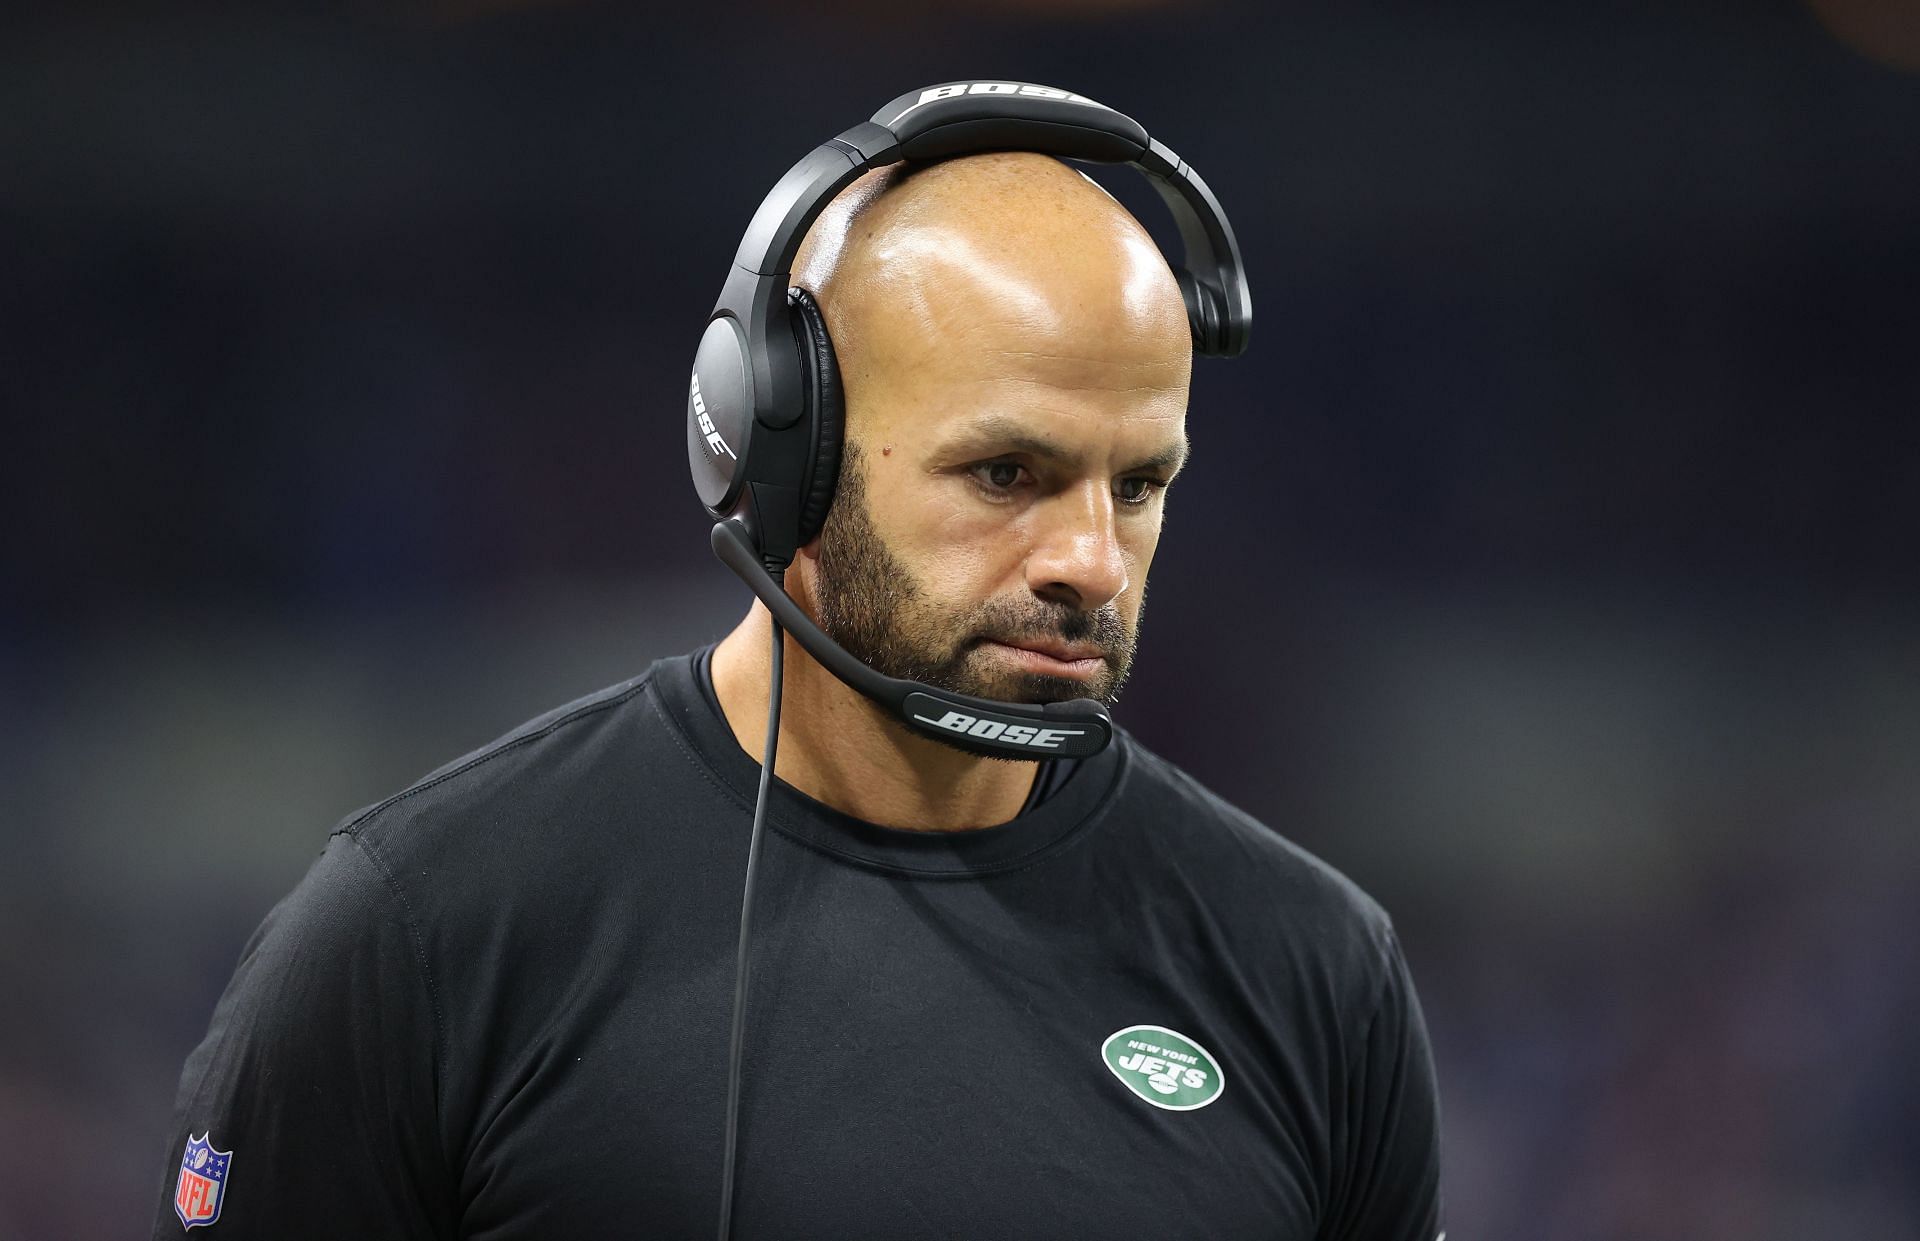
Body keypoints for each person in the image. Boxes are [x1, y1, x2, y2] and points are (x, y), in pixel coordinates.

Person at [154, 141, 1443, 1238]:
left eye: (1139, 485)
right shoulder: (426, 933)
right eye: (1004, 473)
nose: (1090, 562)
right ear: (787, 455)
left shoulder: (1318, 974)